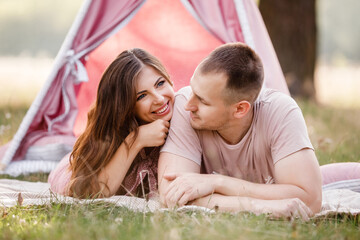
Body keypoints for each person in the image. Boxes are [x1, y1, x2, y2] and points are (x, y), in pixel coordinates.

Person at [158, 42, 323, 220]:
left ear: (240, 109)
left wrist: (216, 183)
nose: (189, 105)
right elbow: (171, 194)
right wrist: (263, 207)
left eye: (203, 101)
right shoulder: (185, 105)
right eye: (193, 89)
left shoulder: (281, 112)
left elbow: (310, 200)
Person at [48, 48, 175, 199]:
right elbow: (86, 192)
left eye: (160, 83)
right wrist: (136, 140)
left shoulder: (187, 111)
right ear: (126, 106)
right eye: (141, 96)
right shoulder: (114, 133)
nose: (159, 99)